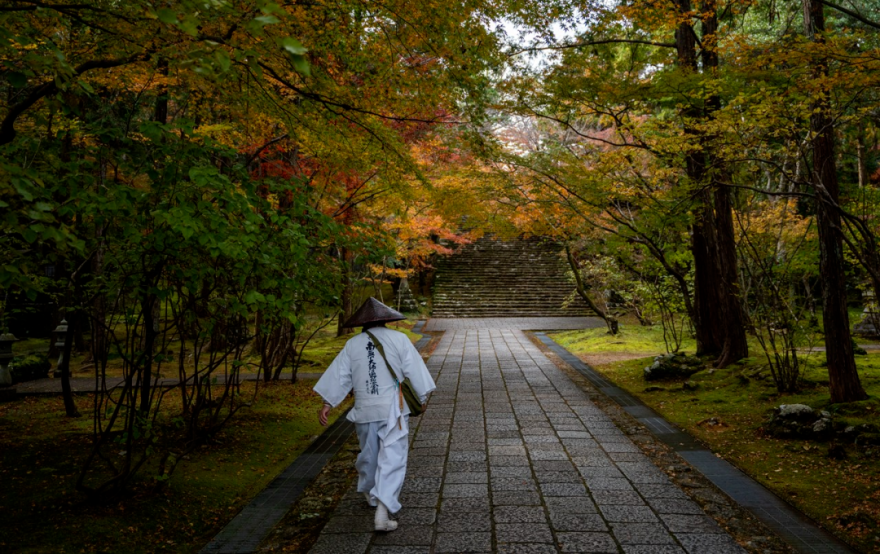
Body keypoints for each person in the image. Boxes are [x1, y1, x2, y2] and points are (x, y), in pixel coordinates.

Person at [313, 297, 436, 532]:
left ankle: (372, 495)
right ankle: (382, 510)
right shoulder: (399, 339)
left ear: (363, 324)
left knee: (369, 455)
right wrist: (421, 398)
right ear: (386, 320)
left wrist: (328, 402)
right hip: (394, 409)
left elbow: (341, 375)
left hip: (365, 408)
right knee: (393, 457)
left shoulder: (353, 344)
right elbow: (413, 369)